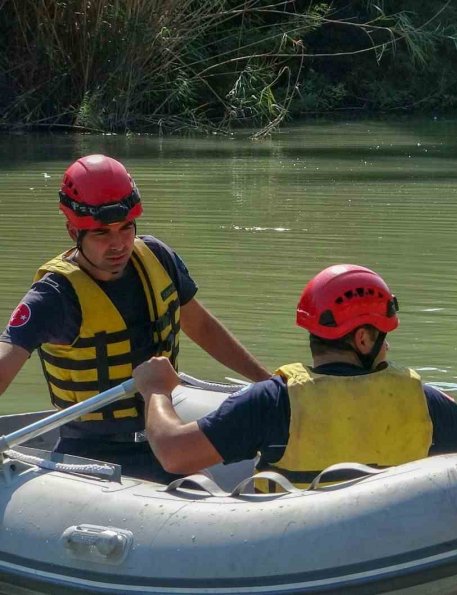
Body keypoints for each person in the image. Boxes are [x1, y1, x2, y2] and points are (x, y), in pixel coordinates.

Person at [133, 264, 457, 489]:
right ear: (364, 337)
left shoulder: (271, 402)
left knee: (198, 485)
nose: (387, 347)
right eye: (384, 336)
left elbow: (173, 454)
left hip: (289, 558)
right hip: (399, 554)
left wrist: (156, 392)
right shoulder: (418, 401)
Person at [0, 154, 270, 482]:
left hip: (163, 437)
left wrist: (267, 381)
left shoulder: (157, 257)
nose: (118, 244)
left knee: (207, 490)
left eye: (126, 227)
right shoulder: (54, 295)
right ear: (73, 230)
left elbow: (201, 326)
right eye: (102, 233)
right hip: (90, 455)